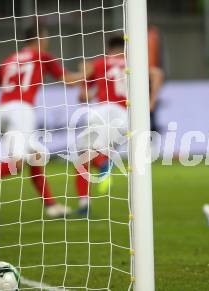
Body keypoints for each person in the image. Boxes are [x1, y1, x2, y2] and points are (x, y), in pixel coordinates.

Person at [0, 24, 83, 218]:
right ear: (40, 38)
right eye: (46, 38)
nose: (47, 42)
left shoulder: (9, 60)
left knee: (36, 156)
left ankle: (51, 206)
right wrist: (88, 73)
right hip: (22, 110)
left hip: (3, 111)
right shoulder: (42, 56)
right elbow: (69, 81)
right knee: (18, 163)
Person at [74, 35, 129, 215]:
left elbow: (84, 95)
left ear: (108, 48)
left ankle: (84, 203)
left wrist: (83, 84)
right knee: (95, 151)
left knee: (83, 155)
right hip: (125, 116)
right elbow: (156, 74)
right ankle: (104, 163)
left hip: (104, 111)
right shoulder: (132, 63)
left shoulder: (99, 63)